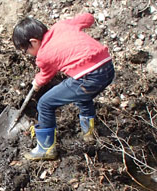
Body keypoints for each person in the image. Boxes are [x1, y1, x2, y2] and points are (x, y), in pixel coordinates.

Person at [12, 13, 115, 161]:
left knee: (45, 103)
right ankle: (89, 133)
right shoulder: (62, 26)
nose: (27, 54)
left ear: (34, 42)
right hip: (107, 66)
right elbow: (88, 18)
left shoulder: (43, 56)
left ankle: (46, 149)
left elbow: (46, 75)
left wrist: (36, 82)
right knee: (83, 96)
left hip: (89, 77)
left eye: (25, 50)